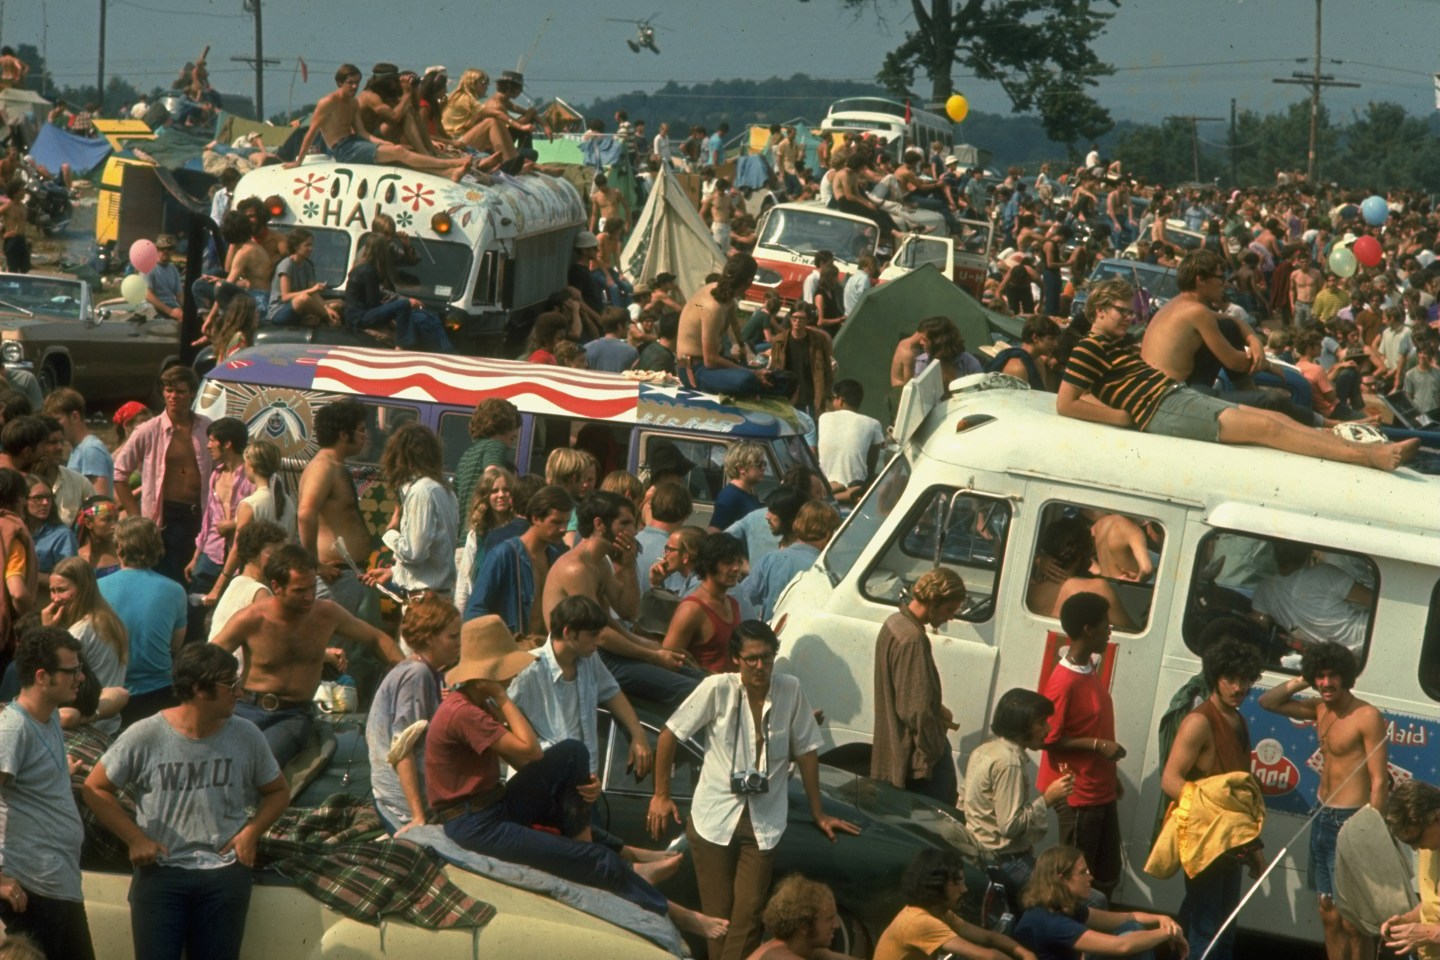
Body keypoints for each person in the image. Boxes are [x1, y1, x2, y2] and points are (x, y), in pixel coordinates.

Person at [425, 615, 676, 916]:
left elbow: (527, 760)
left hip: (491, 807)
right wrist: (502, 696)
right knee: (591, 858)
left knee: (571, 752)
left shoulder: (479, 705)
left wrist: (496, 701)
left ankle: (600, 846)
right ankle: (637, 880)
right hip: (475, 823)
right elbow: (530, 752)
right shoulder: (465, 712)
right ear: (487, 676)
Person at [649, 621, 860, 960]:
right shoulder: (717, 688)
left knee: (748, 914)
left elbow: (806, 753)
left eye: (767, 658)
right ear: (736, 660)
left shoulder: (790, 690)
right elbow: (669, 733)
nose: (760, 667)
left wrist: (819, 813)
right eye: (751, 660)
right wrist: (661, 795)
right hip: (714, 818)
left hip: (764, 820)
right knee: (718, 917)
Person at [1058, 278, 1418, 471]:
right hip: (1161, 408)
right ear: (1100, 310)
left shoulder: (1114, 345)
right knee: (1268, 428)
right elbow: (1066, 403)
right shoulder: (1088, 347)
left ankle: (1371, 447)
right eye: (1122, 311)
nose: (1129, 317)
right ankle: (1372, 458)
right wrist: (1119, 417)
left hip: (1173, 397)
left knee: (1275, 415)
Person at [83, 643, 289, 960]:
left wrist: (251, 833)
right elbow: (95, 788)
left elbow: (278, 791)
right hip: (161, 875)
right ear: (198, 689)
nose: (240, 692)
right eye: (230, 685)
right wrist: (135, 838)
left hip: (224, 875)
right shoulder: (145, 735)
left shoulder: (247, 735)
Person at [212, 545, 403, 766]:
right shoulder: (251, 618)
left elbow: (377, 638)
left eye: (312, 588)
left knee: (260, 762)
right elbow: (207, 658)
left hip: (292, 716)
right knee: (220, 760)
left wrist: (409, 670)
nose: (309, 597)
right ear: (277, 587)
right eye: (299, 590)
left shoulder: (326, 613)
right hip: (246, 708)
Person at [1258, 641, 1387, 960]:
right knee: (1328, 912)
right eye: (1321, 676)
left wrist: (1371, 831)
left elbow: (1380, 780)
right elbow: (1267, 701)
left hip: (1352, 822)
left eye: (1333, 675)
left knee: (1353, 921)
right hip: (1322, 817)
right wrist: (1304, 676)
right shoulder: (1319, 708)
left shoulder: (1367, 715)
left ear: (1346, 677)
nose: (1326, 683)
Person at [1159, 636, 1265, 960]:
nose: (1238, 687)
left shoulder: (1238, 719)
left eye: (1245, 680)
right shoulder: (1199, 722)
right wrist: (1209, 811)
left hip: (1231, 843)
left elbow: (1240, 793)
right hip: (1205, 840)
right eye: (1230, 679)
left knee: (1215, 923)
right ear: (1215, 678)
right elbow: (1170, 780)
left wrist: (1253, 847)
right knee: (1210, 930)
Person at [543, 492, 700, 706]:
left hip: (603, 654)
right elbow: (600, 634)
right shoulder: (576, 568)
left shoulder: (599, 563)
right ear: (599, 524)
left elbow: (627, 611)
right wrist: (652, 655)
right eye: (625, 523)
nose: (633, 531)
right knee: (693, 691)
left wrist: (627, 566)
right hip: (586, 658)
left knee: (701, 679)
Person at [0, 628, 97, 960]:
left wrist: (57, 776)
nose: (80, 677)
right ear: (42, 677)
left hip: (60, 885)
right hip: (31, 889)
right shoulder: (13, 730)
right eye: (72, 671)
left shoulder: (50, 716)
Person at [1036, 592, 1125, 901]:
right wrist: (1097, 745)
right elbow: (1048, 739)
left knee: (1106, 874)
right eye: (1105, 626)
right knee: (1078, 883)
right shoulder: (1064, 681)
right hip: (1079, 796)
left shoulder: (1088, 669)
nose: (1109, 631)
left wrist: (1112, 779)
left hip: (1100, 790)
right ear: (1088, 630)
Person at [964, 689, 1075, 900]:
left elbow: (964, 802)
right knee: (1086, 898)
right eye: (1041, 722)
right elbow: (1010, 827)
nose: (1048, 728)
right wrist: (1048, 798)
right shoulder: (1009, 762)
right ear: (1021, 725)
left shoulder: (985, 749)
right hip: (1006, 861)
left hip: (982, 854)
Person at [367, 593, 461, 833]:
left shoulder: (430, 672)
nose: (459, 643)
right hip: (402, 802)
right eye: (452, 636)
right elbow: (402, 749)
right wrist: (417, 816)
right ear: (430, 639)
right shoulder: (417, 674)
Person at [871, 568, 966, 804]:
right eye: (949, 610)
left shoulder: (895, 622)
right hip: (916, 752)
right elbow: (915, 709)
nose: (951, 617)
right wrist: (933, 749)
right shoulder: (912, 639)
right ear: (933, 602)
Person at [112, 366, 213, 582]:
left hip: (201, 514)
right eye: (169, 391)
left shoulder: (206, 428)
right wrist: (136, 517)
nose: (174, 396)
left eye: (181, 391)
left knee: (197, 579)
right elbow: (120, 474)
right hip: (165, 517)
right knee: (167, 577)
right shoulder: (149, 429)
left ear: (193, 393)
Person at [285, 64, 468, 180]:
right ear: (340, 83)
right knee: (398, 151)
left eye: (357, 82)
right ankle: (452, 164)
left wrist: (382, 142)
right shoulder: (327, 103)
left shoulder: (353, 102)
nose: (355, 86)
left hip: (356, 142)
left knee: (398, 157)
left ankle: (448, 174)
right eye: (350, 83)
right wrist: (298, 161)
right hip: (343, 149)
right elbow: (311, 133)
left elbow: (362, 132)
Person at [1013, 846, 1187, 960]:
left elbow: (1128, 917)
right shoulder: (1052, 922)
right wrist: (1167, 933)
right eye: (1083, 873)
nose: (1090, 878)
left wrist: (1161, 918)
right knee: (1133, 942)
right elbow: (1122, 946)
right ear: (1062, 880)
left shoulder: (1065, 907)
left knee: (1132, 928)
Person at [873, 847, 1038, 960]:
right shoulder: (920, 922)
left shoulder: (940, 912)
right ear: (936, 884)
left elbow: (987, 937)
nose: (964, 889)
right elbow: (988, 956)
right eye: (957, 883)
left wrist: (1024, 953)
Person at [101, 517, 187, 726]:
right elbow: (175, 646)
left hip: (106, 693)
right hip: (159, 693)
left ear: (119, 547)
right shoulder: (175, 590)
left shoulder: (96, 588)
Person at [464, 484, 573, 634]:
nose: (563, 529)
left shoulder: (556, 558)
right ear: (535, 518)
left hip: (543, 651)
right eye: (556, 522)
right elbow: (475, 610)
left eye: (566, 522)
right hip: (509, 650)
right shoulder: (503, 555)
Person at [298, 399, 373, 615]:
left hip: (351, 575)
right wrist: (314, 564)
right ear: (342, 434)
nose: (365, 436)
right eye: (360, 430)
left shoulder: (336, 466)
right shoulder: (323, 467)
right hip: (335, 577)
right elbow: (305, 514)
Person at [42, 556, 129, 737]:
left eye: (62, 590)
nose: (55, 598)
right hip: (108, 722)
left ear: (83, 588)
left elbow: (45, 676)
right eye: (52, 591)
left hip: (85, 728)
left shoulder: (79, 631)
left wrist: (46, 632)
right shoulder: (109, 620)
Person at [677, 254, 780, 399]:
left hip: (710, 363)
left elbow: (734, 321)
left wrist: (742, 347)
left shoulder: (722, 293)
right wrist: (751, 373)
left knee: (770, 375)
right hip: (695, 370)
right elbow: (710, 360)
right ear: (749, 281)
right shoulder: (713, 308)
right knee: (747, 380)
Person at [377, 423, 459, 594]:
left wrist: (391, 532)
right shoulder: (444, 489)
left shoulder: (421, 491)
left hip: (425, 600)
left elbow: (414, 553)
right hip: (438, 595)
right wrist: (393, 572)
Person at [1250, 539, 1371, 654]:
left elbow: (1258, 627)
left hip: (1335, 654)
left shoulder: (1263, 589)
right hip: (1366, 638)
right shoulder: (1324, 574)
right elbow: (1375, 601)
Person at [211, 439, 293, 601]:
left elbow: (237, 549)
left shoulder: (250, 504)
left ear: (251, 466)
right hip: (281, 578)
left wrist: (218, 587)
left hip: (256, 579)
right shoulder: (288, 502)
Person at [185, 417, 252, 605]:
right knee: (194, 609)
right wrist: (195, 557)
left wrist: (234, 523)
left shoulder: (250, 477)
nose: (208, 446)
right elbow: (208, 519)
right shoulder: (216, 474)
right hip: (211, 555)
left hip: (240, 560)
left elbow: (263, 516)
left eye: (212, 440)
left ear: (228, 444)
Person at [738, 500, 839, 622]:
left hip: (769, 633)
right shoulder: (826, 568)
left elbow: (742, 596)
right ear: (829, 533)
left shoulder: (769, 559)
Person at [664, 532, 747, 672]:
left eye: (738, 561)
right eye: (728, 562)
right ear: (709, 564)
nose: (736, 568)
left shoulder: (732, 603)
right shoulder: (691, 609)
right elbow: (668, 659)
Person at [1381, 781, 1440, 957]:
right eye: (1407, 843)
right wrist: (1408, 919)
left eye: (1416, 839)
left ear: (1437, 818)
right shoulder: (1430, 844)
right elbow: (1433, 903)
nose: (1415, 848)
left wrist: (1430, 934)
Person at [207, 520, 287, 644]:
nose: (280, 561)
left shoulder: (237, 582)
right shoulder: (260, 592)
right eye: (272, 555)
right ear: (251, 554)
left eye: (282, 555)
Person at [744, 875, 848, 960]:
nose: (836, 925)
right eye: (829, 919)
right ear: (804, 926)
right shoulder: (775, 954)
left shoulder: (809, 950)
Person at [453, 398, 520, 528]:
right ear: (504, 424)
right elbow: (492, 478)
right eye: (514, 426)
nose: (515, 433)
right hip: (482, 533)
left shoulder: (468, 454)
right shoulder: (495, 446)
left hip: (464, 535)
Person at [818, 379, 885, 505]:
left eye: (834, 398)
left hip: (826, 488)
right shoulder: (873, 423)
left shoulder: (823, 418)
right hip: (855, 488)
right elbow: (871, 466)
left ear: (841, 400)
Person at [44, 387, 113, 497]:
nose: (55, 426)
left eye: (57, 420)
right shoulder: (77, 449)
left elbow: (98, 500)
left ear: (75, 417)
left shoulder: (90, 449)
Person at [768, 302, 833, 417]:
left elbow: (826, 369)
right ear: (790, 318)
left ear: (807, 320)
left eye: (802, 319)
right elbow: (774, 368)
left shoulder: (818, 340)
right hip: (786, 394)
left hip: (809, 395)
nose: (798, 322)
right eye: (795, 318)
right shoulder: (780, 340)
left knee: (810, 429)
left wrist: (826, 394)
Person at [266, 227, 335, 327]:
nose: (311, 249)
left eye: (311, 245)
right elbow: (285, 297)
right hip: (280, 311)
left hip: (300, 309)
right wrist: (313, 291)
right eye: (307, 245)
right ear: (296, 247)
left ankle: (318, 317)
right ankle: (328, 319)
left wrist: (326, 307)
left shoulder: (307, 265)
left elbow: (314, 293)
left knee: (338, 304)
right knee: (303, 299)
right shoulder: (286, 265)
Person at [22, 473, 74, 601]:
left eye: (48, 497)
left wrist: (28, 574)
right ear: (23, 500)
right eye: (38, 498)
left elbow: (69, 579)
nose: (45, 503)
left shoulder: (61, 535)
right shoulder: (13, 531)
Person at [986, 315, 1062, 392]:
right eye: (1051, 339)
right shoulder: (1018, 368)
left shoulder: (1038, 361)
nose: (1056, 344)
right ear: (1035, 338)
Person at [709, 441, 767, 532]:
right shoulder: (729, 496)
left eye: (764, 464)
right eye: (759, 465)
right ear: (741, 469)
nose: (763, 468)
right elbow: (713, 532)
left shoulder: (748, 492)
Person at [76, 494, 121, 577]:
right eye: (107, 519)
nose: (114, 525)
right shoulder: (77, 559)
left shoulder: (124, 553)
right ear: (89, 523)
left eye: (116, 519)